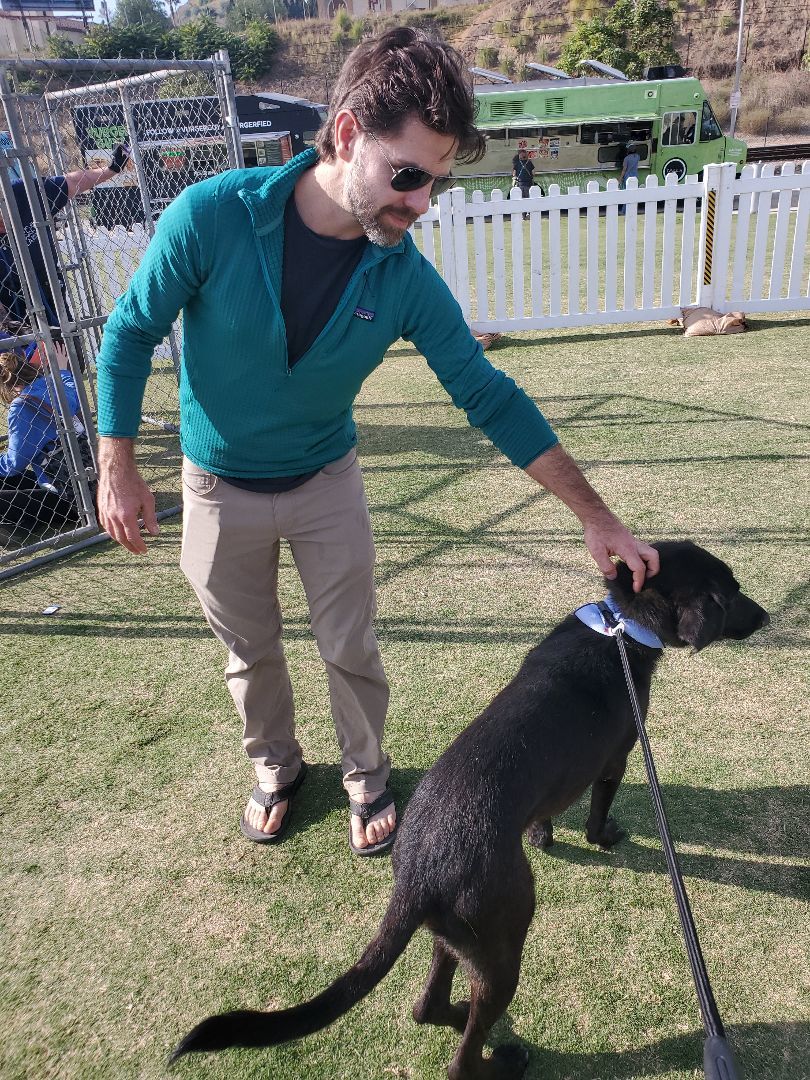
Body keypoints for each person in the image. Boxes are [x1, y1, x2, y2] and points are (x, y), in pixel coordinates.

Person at [95, 28, 659, 857]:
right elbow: (129, 332)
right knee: (248, 651)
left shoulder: (401, 273)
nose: (422, 202)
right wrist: (116, 463)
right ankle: (276, 768)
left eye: (435, 181)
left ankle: (366, 776)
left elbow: (486, 393)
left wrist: (596, 515)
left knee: (349, 647)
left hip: (326, 481)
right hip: (215, 484)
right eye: (407, 176)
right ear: (349, 133)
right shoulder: (213, 215)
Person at [0, 143, 130, 330]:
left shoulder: (23, 193)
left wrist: (112, 169)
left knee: (66, 338)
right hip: (13, 315)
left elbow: (71, 182)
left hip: (50, 292)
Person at [0, 338, 82, 533]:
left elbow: (15, 463)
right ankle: (24, 521)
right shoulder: (53, 384)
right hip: (87, 480)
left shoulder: (22, 406)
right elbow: (73, 395)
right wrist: (62, 371)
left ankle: (23, 524)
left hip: (66, 497)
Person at [618, 143, 641, 215]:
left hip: (627, 177)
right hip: (635, 176)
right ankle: (633, 209)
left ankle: (624, 210)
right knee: (634, 194)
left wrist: (620, 178)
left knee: (627, 194)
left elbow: (624, 169)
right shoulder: (637, 156)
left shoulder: (626, 159)